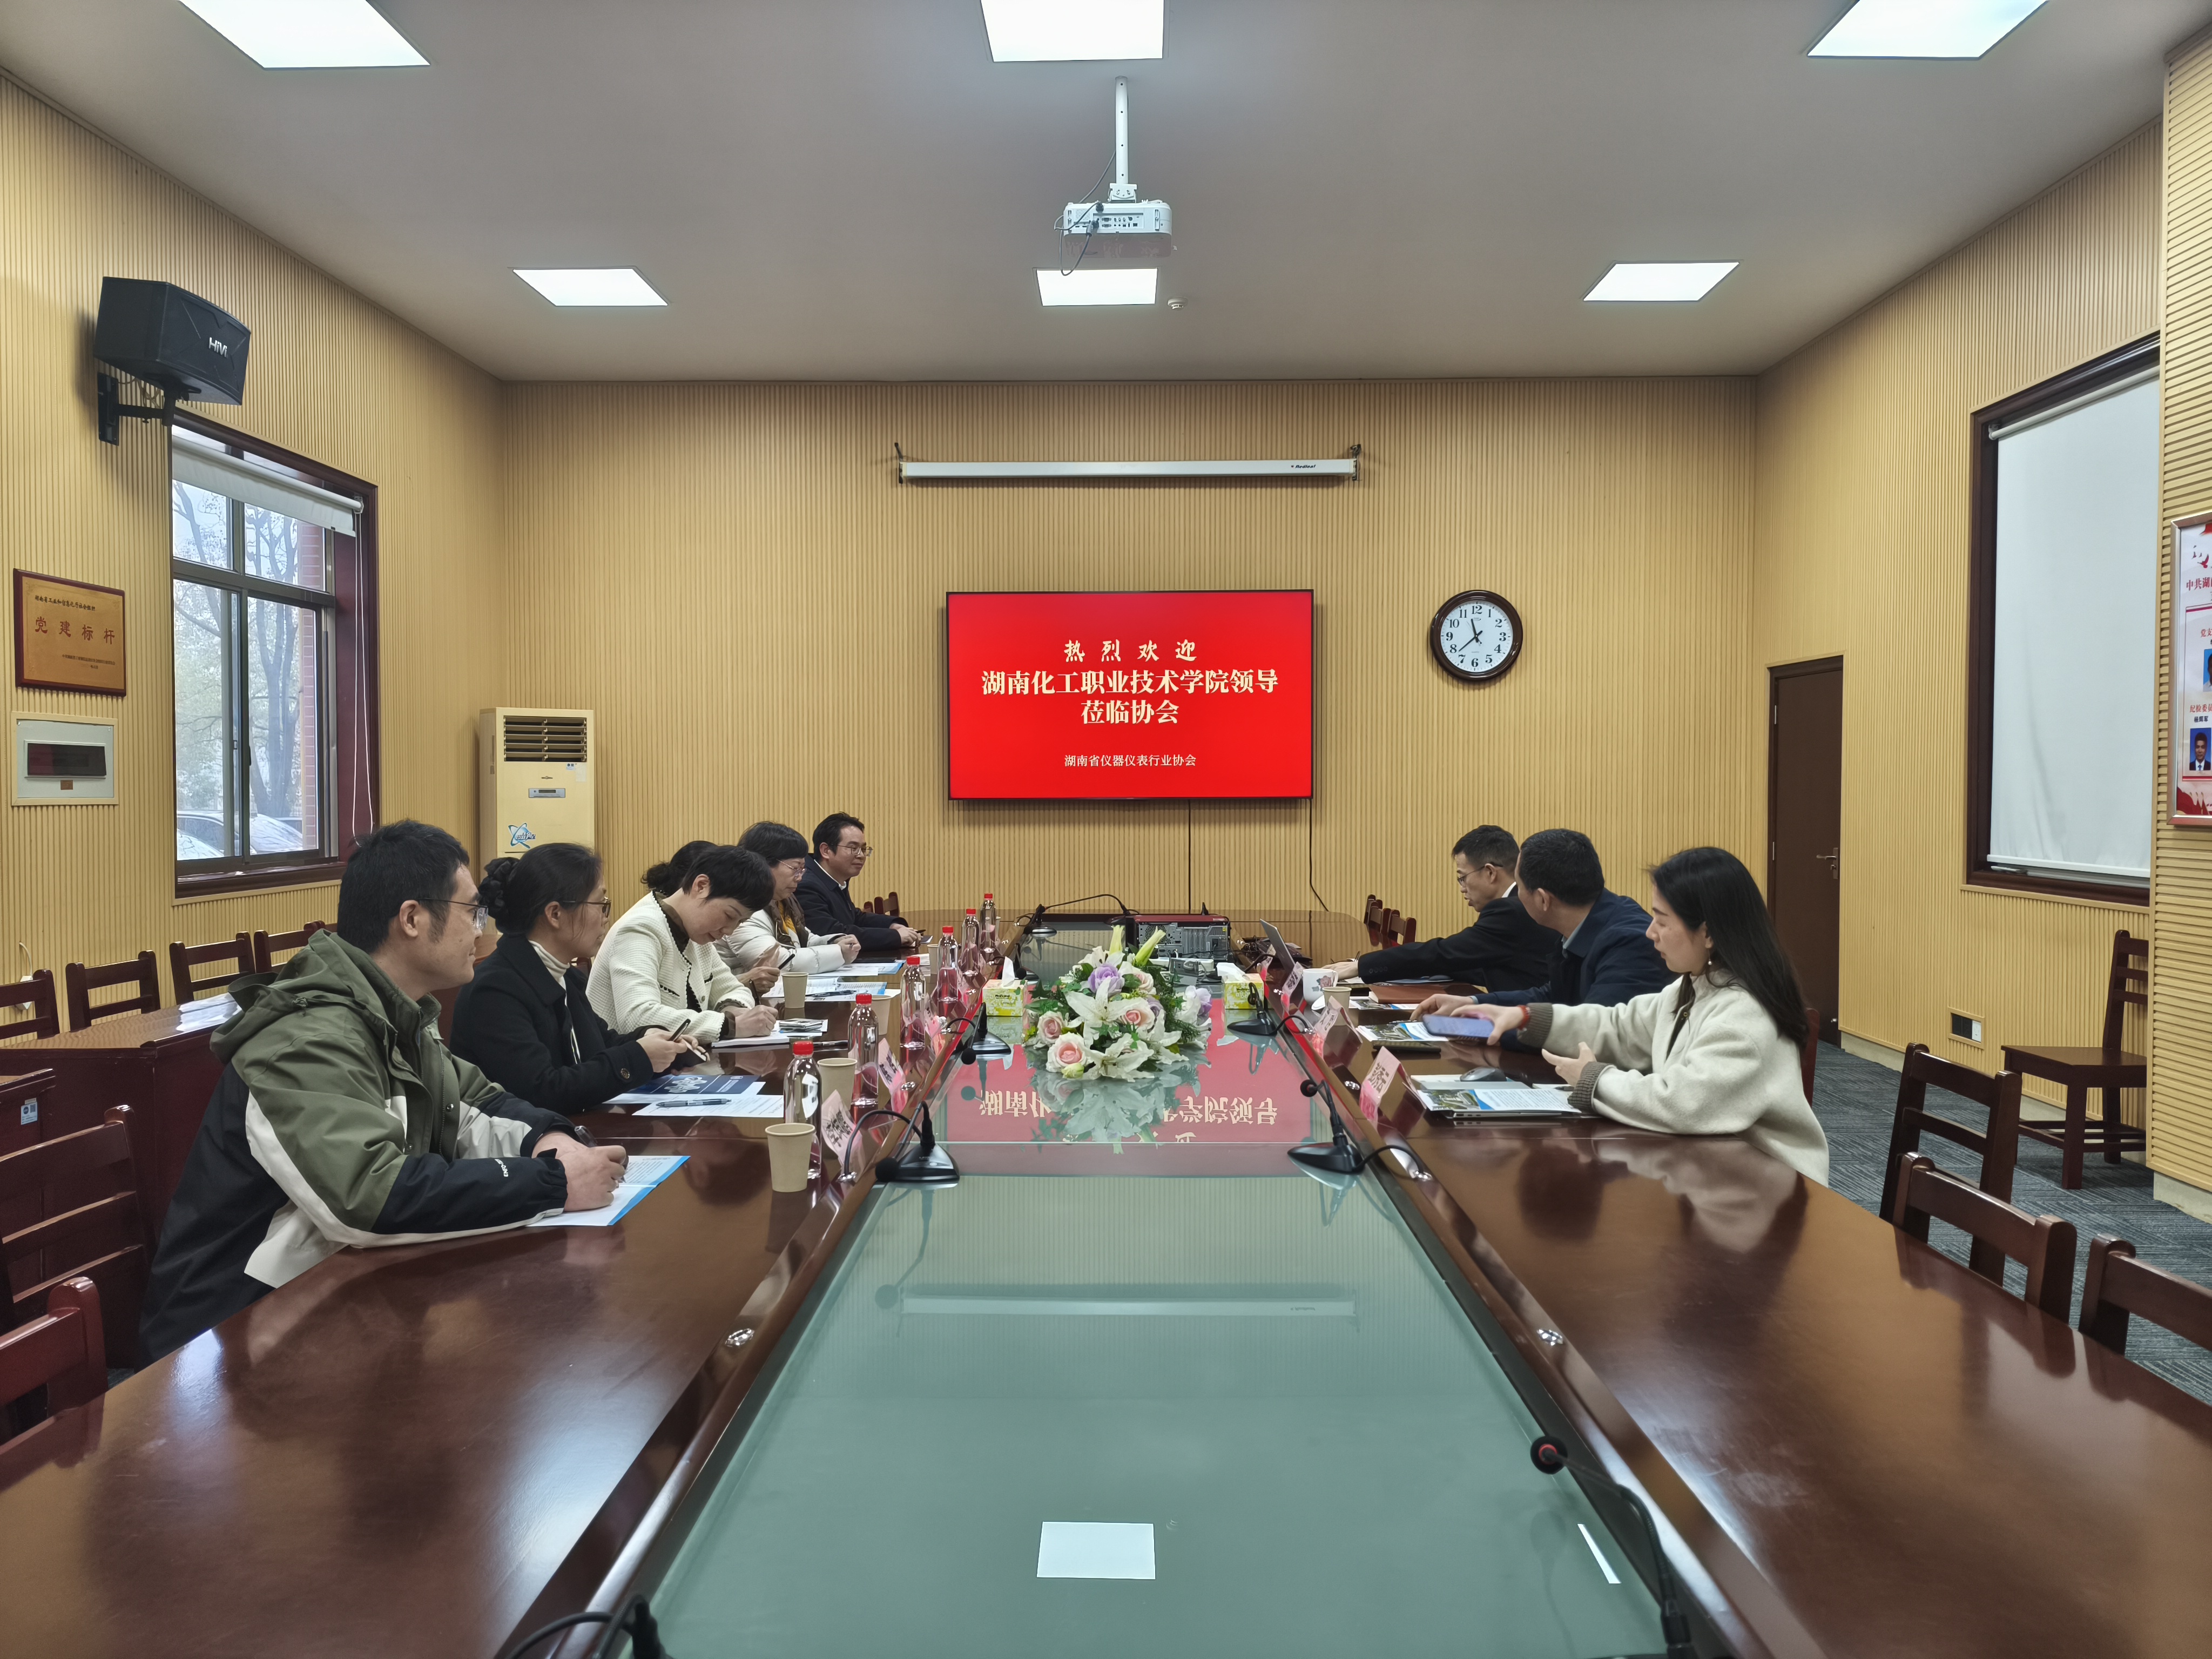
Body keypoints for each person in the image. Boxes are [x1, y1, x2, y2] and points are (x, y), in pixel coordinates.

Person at [139, 821, 629, 1360]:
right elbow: (368, 1198)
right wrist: (552, 1183)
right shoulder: (307, 1040)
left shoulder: (397, 1017)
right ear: (412, 919)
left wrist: (547, 1138)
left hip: (334, 1302)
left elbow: (476, 1103)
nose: (481, 930)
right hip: (226, 1340)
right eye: (472, 912)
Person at [1449, 846, 1828, 1183]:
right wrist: (1525, 1017)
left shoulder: (1744, 1014)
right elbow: (1619, 1026)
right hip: (1710, 1173)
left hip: (1767, 1190)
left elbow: (1682, 1103)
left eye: (1662, 921)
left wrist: (1593, 1080)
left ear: (1708, 933)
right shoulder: (1694, 985)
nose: (1650, 933)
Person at [451, 842, 700, 1115]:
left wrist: (652, 1041)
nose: (605, 918)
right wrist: (639, 1056)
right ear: (555, 914)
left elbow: (602, 1045)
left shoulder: (566, 976)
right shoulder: (496, 990)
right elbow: (542, 1091)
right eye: (601, 904)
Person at [1418, 828, 1671, 1046]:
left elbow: (1591, 1035)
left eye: (1519, 887)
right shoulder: (1585, 921)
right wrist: (1472, 1003)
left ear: (1542, 899)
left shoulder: (1629, 943)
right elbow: (1553, 996)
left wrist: (1480, 1029)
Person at [1319, 825, 1558, 990]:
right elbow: (1472, 963)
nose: (1462, 888)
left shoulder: (1510, 911)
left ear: (1490, 873)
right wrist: (1425, 966)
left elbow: (1445, 952)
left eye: (1463, 878)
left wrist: (1360, 967)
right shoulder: (1518, 902)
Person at [589, 841, 780, 1043]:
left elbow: (733, 989)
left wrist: (733, 1010)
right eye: (729, 915)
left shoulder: (696, 933)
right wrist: (729, 1026)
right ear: (701, 886)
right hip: (622, 1059)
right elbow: (638, 1018)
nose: (729, 931)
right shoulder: (641, 928)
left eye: (740, 922)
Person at [718, 821, 862, 995]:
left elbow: (803, 940)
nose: (800, 878)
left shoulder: (782, 902)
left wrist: (834, 941)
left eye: (803, 870)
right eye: (795, 868)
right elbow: (776, 962)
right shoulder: (745, 907)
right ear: (764, 864)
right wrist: (838, 953)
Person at [797, 813, 921, 953]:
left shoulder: (832, 878)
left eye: (863, 849)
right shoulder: (806, 884)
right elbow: (833, 934)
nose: (861, 856)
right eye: (853, 848)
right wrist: (895, 937)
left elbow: (854, 918)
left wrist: (892, 925)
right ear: (826, 851)